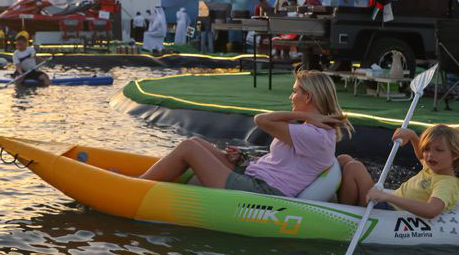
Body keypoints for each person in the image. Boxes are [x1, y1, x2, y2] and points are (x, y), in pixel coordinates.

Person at [140, 71, 351, 196]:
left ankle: (138, 185)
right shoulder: (312, 132)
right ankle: (148, 180)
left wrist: (310, 118)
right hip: (255, 176)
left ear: (308, 97)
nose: (291, 95)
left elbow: (261, 120)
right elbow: (284, 163)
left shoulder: (314, 134)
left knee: (188, 148)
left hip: (263, 192)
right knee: (196, 141)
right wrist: (244, 159)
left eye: (295, 91)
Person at [337, 124, 459, 219]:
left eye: (439, 150)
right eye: (427, 149)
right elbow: (421, 156)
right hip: (385, 204)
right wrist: (412, 136)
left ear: (455, 155)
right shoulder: (434, 168)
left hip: (389, 211)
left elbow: (431, 210)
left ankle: (344, 213)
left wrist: (388, 197)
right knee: (344, 159)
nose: (430, 155)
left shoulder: (446, 183)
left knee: (354, 167)